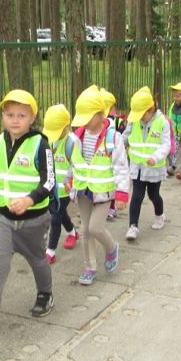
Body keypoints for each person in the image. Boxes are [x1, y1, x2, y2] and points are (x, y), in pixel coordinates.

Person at [0, 90, 55, 337]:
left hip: (34, 220)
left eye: (21, 115)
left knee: (38, 260)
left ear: (32, 118)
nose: (15, 120)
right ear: (3, 116)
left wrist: (29, 199)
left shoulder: (41, 144)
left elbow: (50, 181)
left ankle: (45, 294)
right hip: (3, 220)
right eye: (10, 115)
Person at [69, 86, 129, 285]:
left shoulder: (113, 138)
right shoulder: (76, 138)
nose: (84, 122)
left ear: (100, 114)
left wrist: (122, 193)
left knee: (95, 228)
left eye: (88, 117)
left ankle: (111, 248)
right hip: (83, 190)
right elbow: (72, 162)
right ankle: (89, 267)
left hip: (103, 192)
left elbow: (121, 167)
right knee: (85, 230)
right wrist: (69, 181)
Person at [123, 87, 170, 241]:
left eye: (142, 114)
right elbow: (126, 136)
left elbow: (166, 144)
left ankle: (159, 215)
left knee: (153, 195)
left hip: (153, 168)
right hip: (137, 166)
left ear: (151, 109)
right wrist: (116, 148)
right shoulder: (134, 121)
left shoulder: (162, 122)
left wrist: (156, 157)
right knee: (137, 195)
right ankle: (133, 226)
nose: (140, 118)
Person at [42, 104, 79, 264]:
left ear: (66, 127)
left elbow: (77, 165)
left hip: (65, 190)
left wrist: (72, 184)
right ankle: (72, 232)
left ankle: (50, 251)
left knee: (55, 218)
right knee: (60, 213)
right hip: (52, 189)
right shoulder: (48, 141)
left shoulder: (72, 143)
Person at [101, 88, 125, 220]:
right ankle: (109, 207)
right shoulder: (106, 121)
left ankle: (111, 207)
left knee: (111, 182)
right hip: (106, 155)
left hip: (110, 154)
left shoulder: (116, 122)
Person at [166, 82, 181, 175]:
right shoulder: (173, 106)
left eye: (178, 96)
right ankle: (172, 165)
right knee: (173, 149)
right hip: (175, 132)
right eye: (174, 96)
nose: (175, 98)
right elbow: (169, 116)